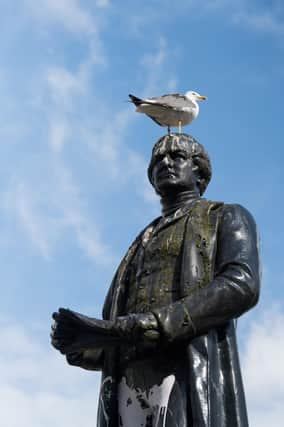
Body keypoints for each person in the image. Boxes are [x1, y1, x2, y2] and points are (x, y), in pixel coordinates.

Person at [51, 133, 260, 427]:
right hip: (128, 388)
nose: (165, 162)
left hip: (184, 372)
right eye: (157, 160)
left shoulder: (225, 217)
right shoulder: (138, 244)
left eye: (177, 156)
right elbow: (120, 329)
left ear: (198, 170)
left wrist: (161, 322)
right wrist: (84, 345)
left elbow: (241, 284)